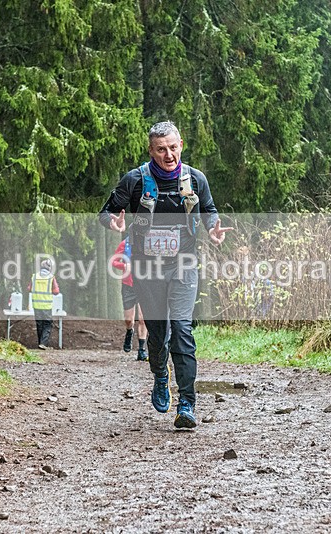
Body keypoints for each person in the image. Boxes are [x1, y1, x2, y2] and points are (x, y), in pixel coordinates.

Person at [99, 121, 231, 429]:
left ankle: (187, 403)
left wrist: (213, 228)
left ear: (181, 145)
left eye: (173, 147)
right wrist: (114, 224)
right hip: (147, 269)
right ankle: (160, 374)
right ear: (151, 150)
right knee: (158, 335)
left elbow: (209, 210)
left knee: (182, 330)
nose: (168, 155)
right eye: (161, 149)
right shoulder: (135, 179)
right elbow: (106, 212)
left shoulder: (195, 179)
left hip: (183, 265)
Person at [112, 237, 148, 361]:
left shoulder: (148, 243)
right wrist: (124, 266)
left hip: (144, 284)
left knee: (143, 319)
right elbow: (114, 261)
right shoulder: (125, 243)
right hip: (128, 286)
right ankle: (129, 331)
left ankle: (142, 350)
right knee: (129, 320)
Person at [27, 258, 60, 350]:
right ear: (49, 268)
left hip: (36, 305)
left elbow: (29, 289)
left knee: (39, 324)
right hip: (46, 305)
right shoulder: (51, 277)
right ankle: (43, 343)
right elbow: (56, 291)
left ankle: (40, 343)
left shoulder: (34, 276)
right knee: (47, 324)